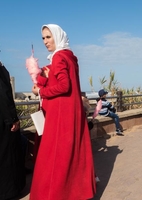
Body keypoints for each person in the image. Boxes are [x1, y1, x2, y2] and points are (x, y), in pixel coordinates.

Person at [30, 24, 96, 200]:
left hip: (59, 116)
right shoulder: (69, 56)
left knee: (54, 160)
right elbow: (66, 84)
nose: (45, 41)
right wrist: (45, 79)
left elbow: (64, 86)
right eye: (43, 38)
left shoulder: (59, 57)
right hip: (71, 113)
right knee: (71, 157)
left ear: (57, 37)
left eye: (48, 37)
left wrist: (41, 91)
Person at [0, 61, 26, 199]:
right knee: (7, 156)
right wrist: (12, 119)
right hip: (4, 121)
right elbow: (3, 95)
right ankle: (9, 192)